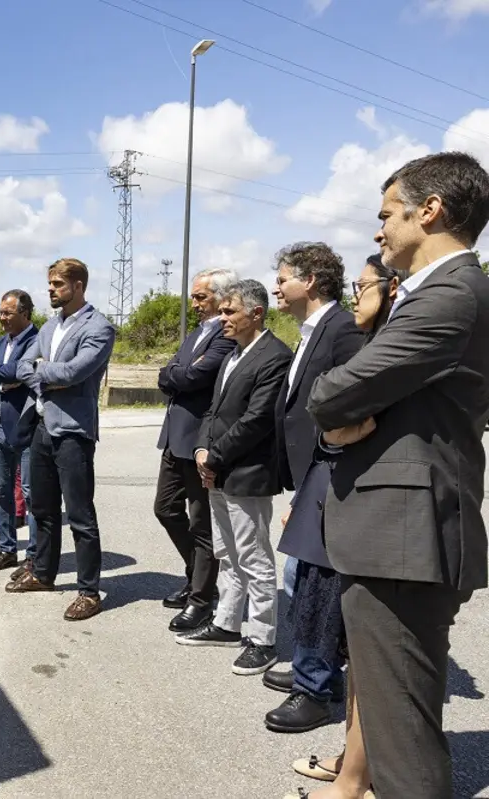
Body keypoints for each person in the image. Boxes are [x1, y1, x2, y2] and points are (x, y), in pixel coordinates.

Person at [307, 151, 489, 798]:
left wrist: (335, 415)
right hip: (398, 534)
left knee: (404, 742)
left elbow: (331, 392)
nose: (379, 228)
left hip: (406, 538)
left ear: (429, 210)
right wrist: (339, 421)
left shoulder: (451, 294)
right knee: (386, 705)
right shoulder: (433, 292)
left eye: (387, 213)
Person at [283, 255, 405, 799]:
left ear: (393, 288)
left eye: (364, 285)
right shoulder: (368, 335)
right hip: (333, 480)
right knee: (350, 637)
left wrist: (332, 427)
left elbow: (343, 412)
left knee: (369, 648)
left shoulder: (381, 341)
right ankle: (353, 765)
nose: (357, 294)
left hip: (368, 498)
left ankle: (361, 772)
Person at [263, 243, 364, 733]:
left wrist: (318, 486)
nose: (276, 287)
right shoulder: (310, 330)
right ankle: (315, 668)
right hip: (313, 476)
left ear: (311, 280)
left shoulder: (342, 329)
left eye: (283, 278)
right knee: (301, 581)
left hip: (332, 475)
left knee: (316, 584)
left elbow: (354, 405)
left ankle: (316, 686)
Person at [177, 279, 291, 677]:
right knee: (227, 553)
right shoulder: (233, 354)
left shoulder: (275, 357)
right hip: (218, 469)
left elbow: (257, 419)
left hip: (248, 472)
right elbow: (214, 410)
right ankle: (227, 623)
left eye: (229, 311)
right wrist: (201, 449)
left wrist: (216, 456)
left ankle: (262, 639)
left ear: (256, 313)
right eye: (222, 310)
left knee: (254, 557)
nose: (221, 318)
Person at [8, 258, 115, 622]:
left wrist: (43, 371)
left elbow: (75, 372)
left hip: (73, 431)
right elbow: (22, 366)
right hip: (42, 425)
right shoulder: (50, 326)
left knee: (80, 515)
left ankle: (89, 591)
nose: (50, 289)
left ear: (78, 286)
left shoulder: (99, 327)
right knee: (43, 508)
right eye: (50, 284)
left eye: (57, 284)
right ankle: (43, 573)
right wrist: (46, 376)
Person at [153, 267, 238, 632]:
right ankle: (197, 574)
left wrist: (175, 373)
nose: (195, 303)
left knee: (202, 523)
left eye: (201, 297)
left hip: (200, 441)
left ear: (221, 298)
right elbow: (174, 372)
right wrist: (175, 373)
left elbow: (192, 376)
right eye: (194, 297)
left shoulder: (224, 335)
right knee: (165, 508)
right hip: (175, 438)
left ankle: (201, 600)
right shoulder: (197, 332)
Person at [0, 290, 40, 576]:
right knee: (2, 491)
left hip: (26, 428)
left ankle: (34, 556)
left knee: (31, 494)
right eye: (0, 312)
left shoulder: (36, 340)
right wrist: (0, 384)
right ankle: (7, 550)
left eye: (7, 313)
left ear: (24, 313)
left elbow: (18, 371)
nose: (1, 318)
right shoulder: (1, 342)